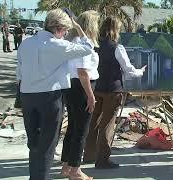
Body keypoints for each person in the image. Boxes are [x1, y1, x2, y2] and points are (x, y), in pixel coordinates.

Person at [16, 8, 93, 180]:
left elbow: (19, 73)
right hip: (49, 98)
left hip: (27, 96)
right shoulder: (58, 45)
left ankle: (35, 176)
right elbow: (88, 48)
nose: (66, 34)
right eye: (65, 31)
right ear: (59, 29)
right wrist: (79, 29)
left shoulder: (26, 43)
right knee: (47, 144)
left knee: (34, 143)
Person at [83, 16, 147, 169]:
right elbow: (128, 70)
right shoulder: (117, 47)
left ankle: (89, 155)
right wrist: (140, 72)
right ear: (115, 30)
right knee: (107, 125)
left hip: (96, 88)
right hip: (113, 90)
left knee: (93, 122)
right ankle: (102, 160)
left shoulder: (94, 46)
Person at [60, 10, 100, 180]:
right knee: (81, 130)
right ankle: (75, 170)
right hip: (82, 87)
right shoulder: (81, 43)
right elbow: (83, 72)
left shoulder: (75, 41)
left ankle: (67, 166)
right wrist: (91, 95)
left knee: (73, 128)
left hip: (73, 87)